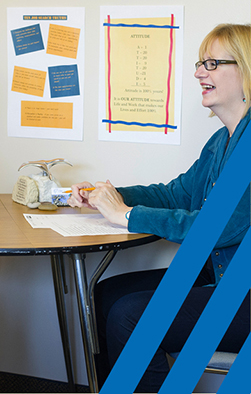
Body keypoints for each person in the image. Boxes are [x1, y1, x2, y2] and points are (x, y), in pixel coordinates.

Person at [68, 23, 251, 392]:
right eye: (201, 63)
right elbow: (175, 196)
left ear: (246, 69)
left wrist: (125, 214)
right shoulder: (222, 140)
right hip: (218, 277)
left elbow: (220, 226)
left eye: (213, 63)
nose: (200, 72)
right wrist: (106, 193)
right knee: (106, 294)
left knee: (128, 316)